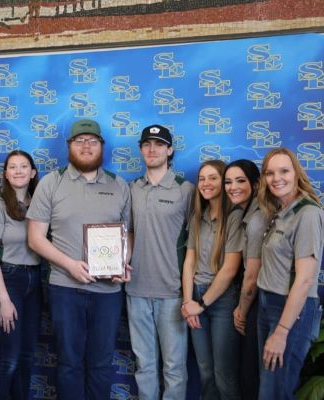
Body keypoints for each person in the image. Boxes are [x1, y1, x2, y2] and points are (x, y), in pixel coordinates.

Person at [27, 119, 132, 400]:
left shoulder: (119, 185)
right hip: (65, 288)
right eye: (79, 141)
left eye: (92, 141)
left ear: (102, 147)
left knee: (100, 363)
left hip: (108, 291)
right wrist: (70, 265)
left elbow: (127, 235)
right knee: (69, 363)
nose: (86, 146)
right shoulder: (51, 182)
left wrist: (122, 264)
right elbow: (35, 238)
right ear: (69, 146)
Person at [125, 124, 194, 400]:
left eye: (158, 144)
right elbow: (126, 234)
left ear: (170, 150)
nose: (152, 149)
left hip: (172, 293)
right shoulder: (132, 189)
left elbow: (196, 242)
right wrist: (121, 264)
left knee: (175, 367)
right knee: (144, 366)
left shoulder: (186, 190)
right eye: (146, 144)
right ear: (141, 150)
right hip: (136, 290)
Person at [257, 147, 324, 400]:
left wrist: (282, 331)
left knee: (275, 392)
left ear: (296, 173)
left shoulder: (307, 213)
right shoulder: (280, 211)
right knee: (270, 387)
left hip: (290, 311)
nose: (277, 178)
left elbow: (305, 279)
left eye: (284, 171)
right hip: (267, 304)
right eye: (270, 173)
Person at [181, 159, 243, 400]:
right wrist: (188, 303)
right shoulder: (199, 216)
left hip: (222, 301)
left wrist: (202, 304)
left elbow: (229, 269)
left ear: (224, 182)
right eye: (202, 178)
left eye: (213, 178)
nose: (206, 183)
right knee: (205, 371)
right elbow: (189, 262)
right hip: (196, 297)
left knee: (223, 374)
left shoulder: (235, 217)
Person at [0, 150, 41, 400]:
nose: (18, 171)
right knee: (10, 358)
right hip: (8, 280)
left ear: (33, 172)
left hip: (34, 280)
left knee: (27, 356)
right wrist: (4, 299)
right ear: (5, 173)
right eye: (13, 167)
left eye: (24, 166)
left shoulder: (39, 204)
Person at [223, 159, 265, 400]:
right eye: (228, 181)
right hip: (252, 301)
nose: (232, 187)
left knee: (252, 376)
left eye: (240, 181)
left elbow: (252, 274)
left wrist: (241, 309)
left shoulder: (257, 218)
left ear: (256, 184)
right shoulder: (241, 212)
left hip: (258, 302)